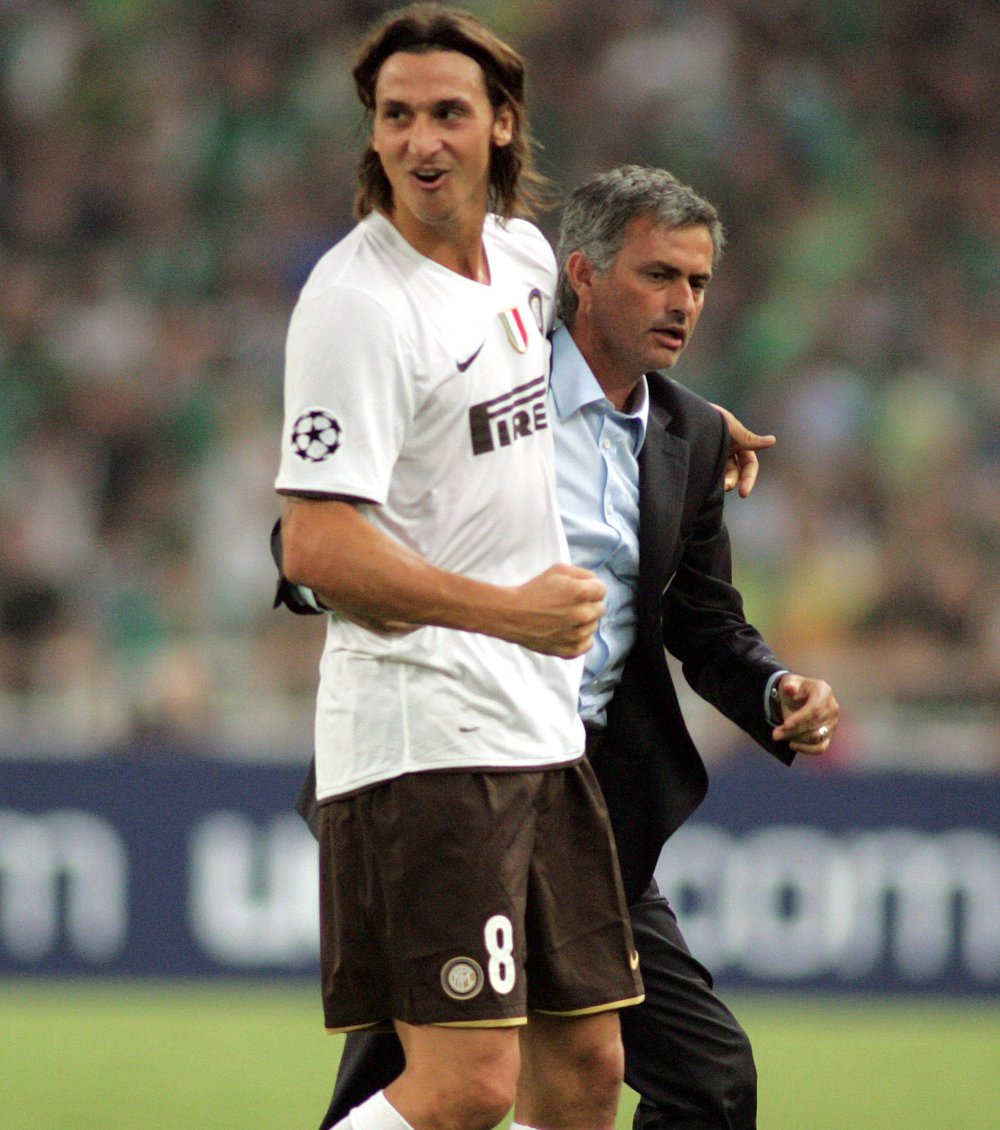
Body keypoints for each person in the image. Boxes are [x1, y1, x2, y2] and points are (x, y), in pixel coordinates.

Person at [280, 164, 841, 1130]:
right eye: (659, 275)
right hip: (448, 767)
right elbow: (316, 542)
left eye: (699, 283)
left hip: (592, 804)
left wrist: (775, 687)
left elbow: (705, 624)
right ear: (578, 274)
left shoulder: (691, 437)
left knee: (696, 1081)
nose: (684, 303)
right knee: (440, 1087)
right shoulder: (485, 385)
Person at [274, 8, 646, 1130]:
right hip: (425, 736)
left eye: (446, 113)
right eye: (396, 116)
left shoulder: (526, 259)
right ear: (372, 136)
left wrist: (703, 423)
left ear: (500, 126)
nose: (420, 140)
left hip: (539, 727)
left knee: (583, 1072)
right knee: (465, 1086)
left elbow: (578, 385)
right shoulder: (357, 303)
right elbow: (316, 545)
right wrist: (509, 614)